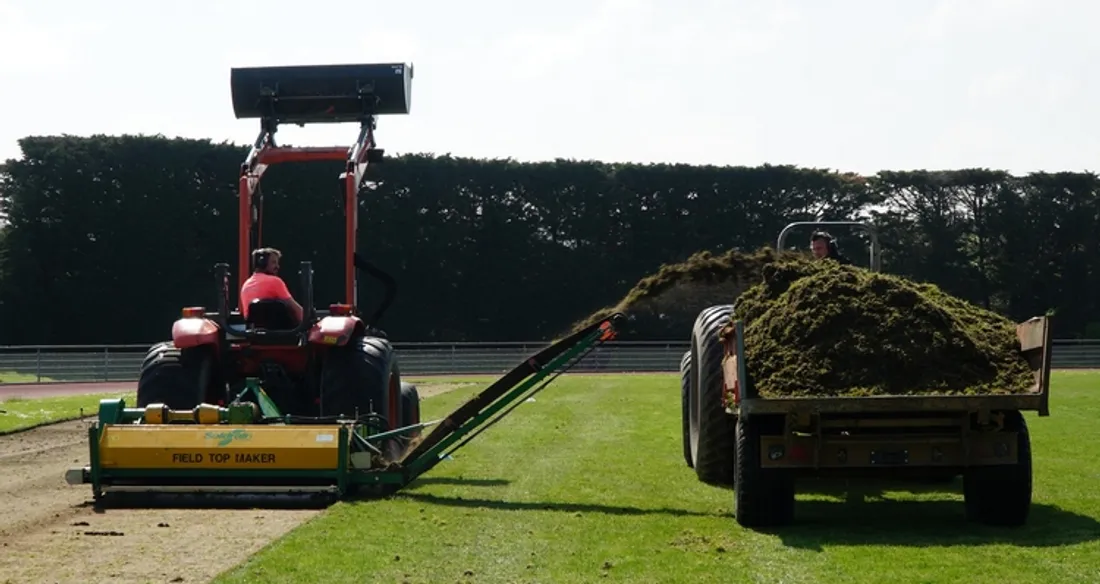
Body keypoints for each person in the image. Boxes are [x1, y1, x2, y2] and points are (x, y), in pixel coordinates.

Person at [239, 247, 304, 323]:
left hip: (254, 332)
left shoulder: (246, 285)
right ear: (262, 263)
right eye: (274, 262)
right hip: (282, 332)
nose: (277, 266)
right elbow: (296, 310)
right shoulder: (275, 281)